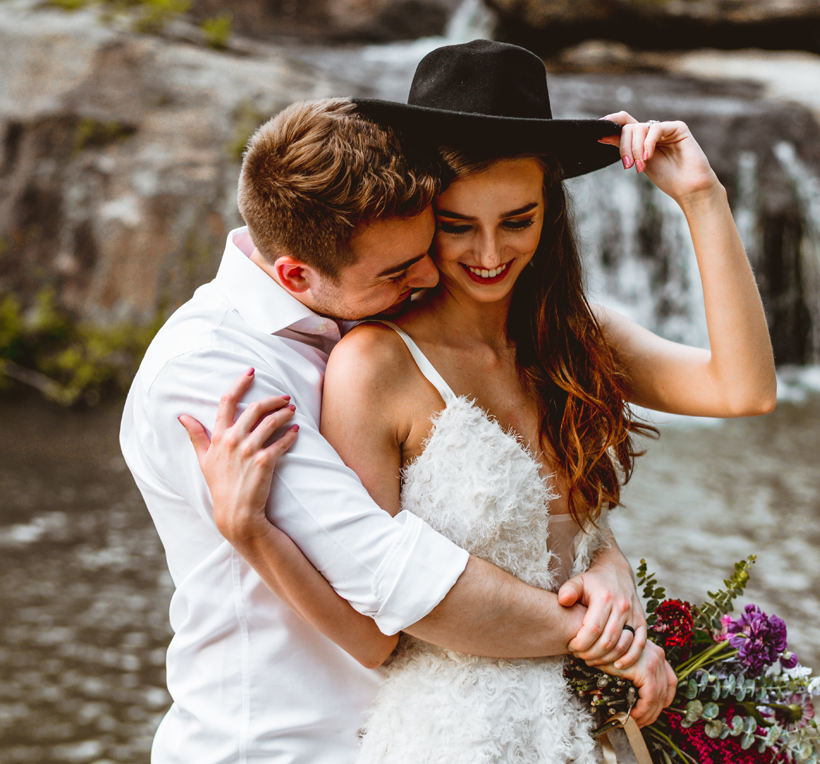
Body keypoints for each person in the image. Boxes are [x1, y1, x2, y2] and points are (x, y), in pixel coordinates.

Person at [185, 41, 776, 762]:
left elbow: (743, 388)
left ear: (549, 212)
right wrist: (252, 532)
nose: (490, 253)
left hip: (600, 721)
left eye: (518, 220)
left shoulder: (578, 339)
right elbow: (374, 631)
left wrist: (701, 198)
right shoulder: (372, 365)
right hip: (458, 736)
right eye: (458, 224)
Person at [121, 92, 672, 764]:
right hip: (275, 741)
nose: (432, 274)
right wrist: (608, 638)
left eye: (424, 247)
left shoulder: (359, 309)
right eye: (398, 269)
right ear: (297, 272)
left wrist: (605, 559)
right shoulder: (214, 373)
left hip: (408, 730)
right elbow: (388, 578)